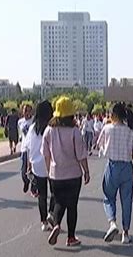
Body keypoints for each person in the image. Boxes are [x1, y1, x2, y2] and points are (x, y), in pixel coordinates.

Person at [42, 97, 90, 247]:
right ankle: (70, 237)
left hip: (56, 174)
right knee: (72, 206)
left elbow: (45, 153)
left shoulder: (49, 130)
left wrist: (48, 170)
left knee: (59, 202)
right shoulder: (74, 131)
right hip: (73, 174)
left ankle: (56, 224)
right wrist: (86, 171)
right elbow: (81, 154)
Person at [98, 103, 133, 244]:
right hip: (127, 167)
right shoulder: (131, 130)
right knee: (126, 201)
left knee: (109, 197)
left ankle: (112, 223)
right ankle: (126, 233)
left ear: (114, 115)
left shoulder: (107, 128)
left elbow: (100, 145)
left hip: (113, 165)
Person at [23, 101, 55, 231]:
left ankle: (43, 222)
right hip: (51, 163)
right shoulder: (52, 128)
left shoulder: (32, 128)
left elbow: (29, 148)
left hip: (37, 165)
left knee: (42, 195)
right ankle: (51, 213)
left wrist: (29, 165)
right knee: (55, 192)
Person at [18, 104, 34, 194]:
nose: (26, 113)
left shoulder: (34, 121)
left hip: (33, 148)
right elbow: (21, 134)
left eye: (28, 111)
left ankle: (33, 185)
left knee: (33, 169)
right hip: (24, 148)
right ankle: (26, 181)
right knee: (23, 170)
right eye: (25, 110)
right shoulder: (20, 122)